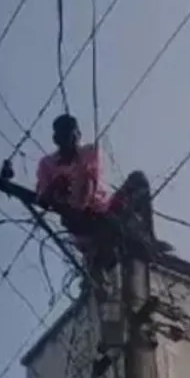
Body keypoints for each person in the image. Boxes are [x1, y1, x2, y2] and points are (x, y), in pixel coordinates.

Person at [35, 114, 159, 272]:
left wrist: (78, 204)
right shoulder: (47, 164)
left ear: (78, 135)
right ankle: (107, 251)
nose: (71, 142)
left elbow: (89, 183)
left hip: (105, 210)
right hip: (79, 222)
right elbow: (42, 197)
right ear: (57, 140)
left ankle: (149, 239)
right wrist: (55, 188)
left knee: (138, 179)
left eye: (73, 136)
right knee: (112, 239)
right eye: (66, 138)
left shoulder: (90, 152)